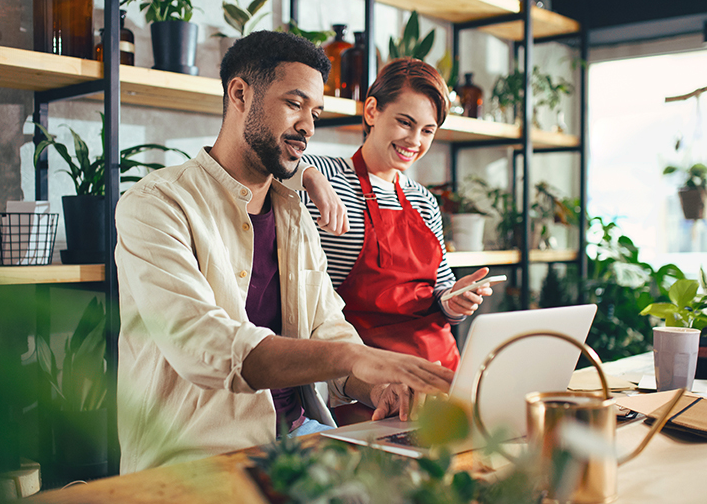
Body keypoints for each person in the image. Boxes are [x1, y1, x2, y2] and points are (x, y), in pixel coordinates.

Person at [113, 31, 454, 474]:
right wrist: (356, 357)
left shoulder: (293, 213)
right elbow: (203, 346)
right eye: (295, 104)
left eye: (315, 112)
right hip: (198, 463)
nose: (308, 127)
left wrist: (374, 387)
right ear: (240, 94)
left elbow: (327, 328)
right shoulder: (157, 205)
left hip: (300, 440)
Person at [295, 58, 493, 373]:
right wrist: (308, 175)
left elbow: (439, 292)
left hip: (440, 365)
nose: (414, 141)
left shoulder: (424, 200)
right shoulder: (324, 175)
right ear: (372, 110)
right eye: (405, 122)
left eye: (427, 130)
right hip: (365, 373)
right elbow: (264, 165)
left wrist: (455, 300)